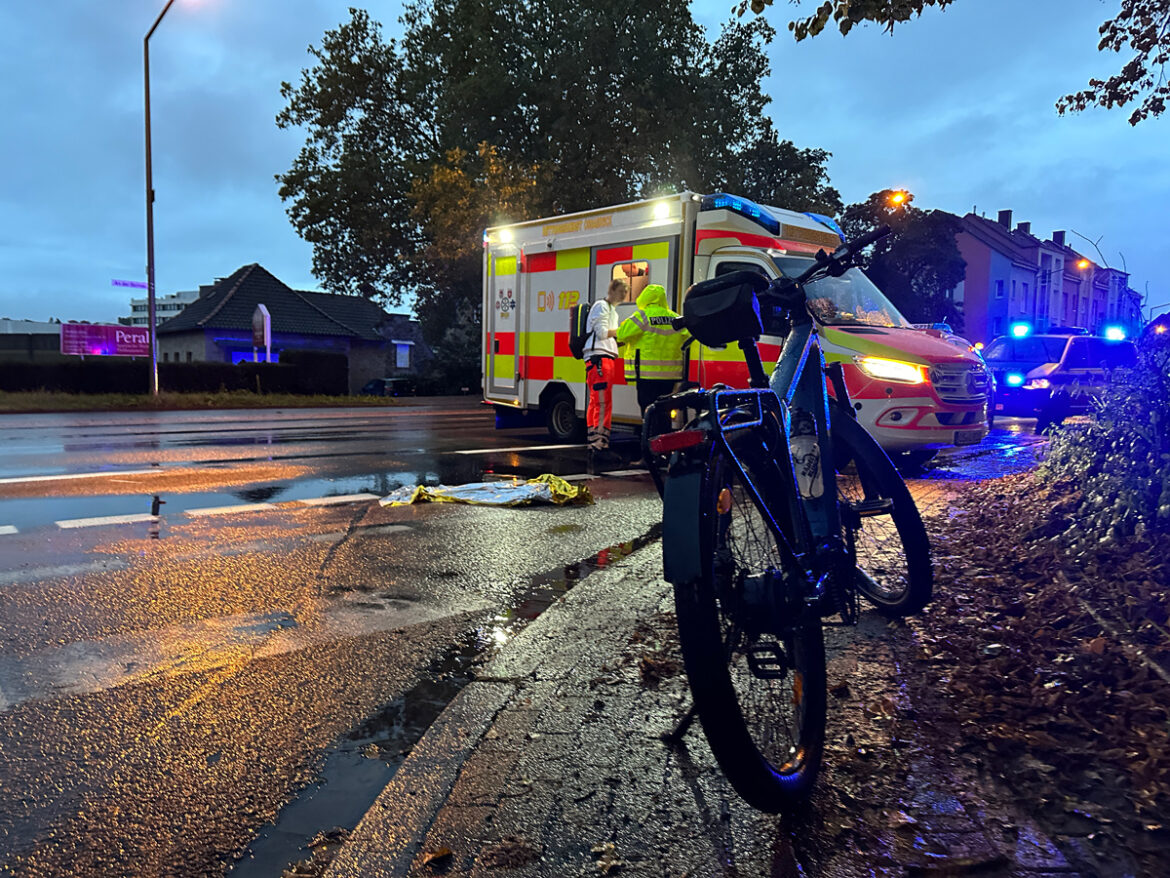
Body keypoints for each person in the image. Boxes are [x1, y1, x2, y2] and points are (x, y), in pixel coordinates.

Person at [616, 283, 689, 416]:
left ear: (644, 298)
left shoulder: (642, 316)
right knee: (664, 410)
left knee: (648, 410)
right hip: (670, 375)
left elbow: (621, 334)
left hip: (647, 375)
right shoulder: (674, 317)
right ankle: (663, 435)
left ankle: (649, 436)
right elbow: (687, 336)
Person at [584, 279, 627, 462]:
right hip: (600, 359)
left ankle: (596, 441)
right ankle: (600, 445)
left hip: (601, 359)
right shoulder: (602, 306)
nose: (624, 295)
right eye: (622, 291)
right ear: (613, 290)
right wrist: (622, 331)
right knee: (602, 402)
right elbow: (602, 333)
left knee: (598, 401)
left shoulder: (610, 310)